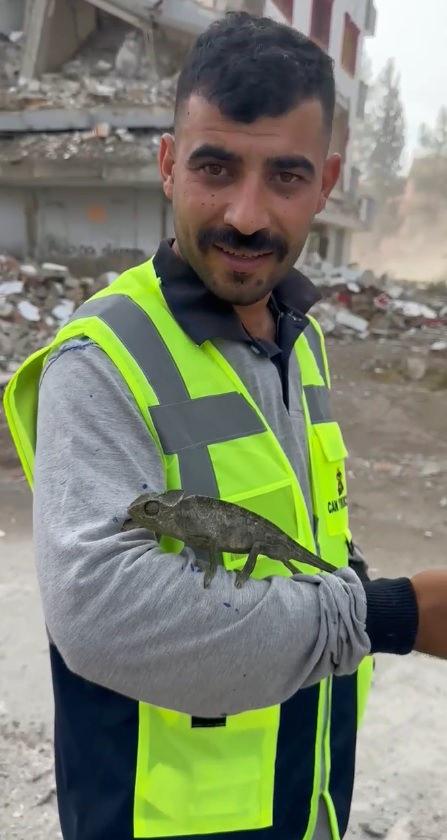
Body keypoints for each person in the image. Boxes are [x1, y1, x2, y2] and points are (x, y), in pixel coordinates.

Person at [4, 12, 447, 840]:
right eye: (215, 167)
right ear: (168, 165)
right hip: (164, 821)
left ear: (326, 183)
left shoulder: (301, 338)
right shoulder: (101, 358)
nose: (246, 215)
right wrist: (385, 614)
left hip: (303, 789)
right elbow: (102, 612)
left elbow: (302, 524)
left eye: (285, 176)